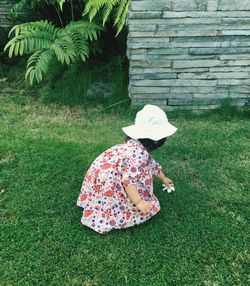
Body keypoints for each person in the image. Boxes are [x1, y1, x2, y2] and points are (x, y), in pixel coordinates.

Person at [76, 104, 178, 234]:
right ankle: (111, 209)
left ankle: (94, 200)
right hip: (110, 184)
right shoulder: (138, 156)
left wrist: (162, 177)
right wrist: (139, 202)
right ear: (157, 140)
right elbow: (129, 181)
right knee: (149, 204)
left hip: (100, 177)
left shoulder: (135, 144)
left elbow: (150, 164)